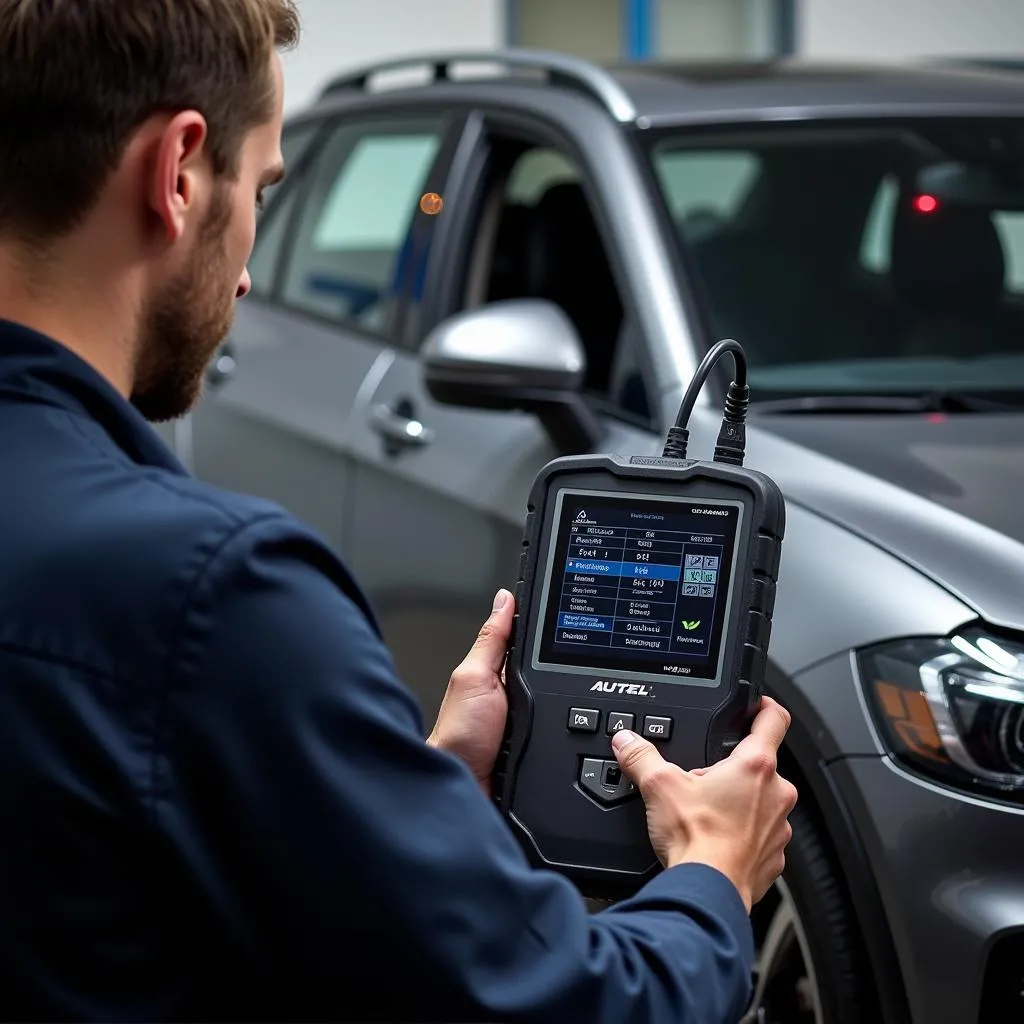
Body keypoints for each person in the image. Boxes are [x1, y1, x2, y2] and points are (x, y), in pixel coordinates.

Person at [0, 2, 798, 1021]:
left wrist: (401, 794)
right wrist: (710, 881)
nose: (247, 273)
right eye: (261, 189)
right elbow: (557, 1005)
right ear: (181, 173)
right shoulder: (212, 592)